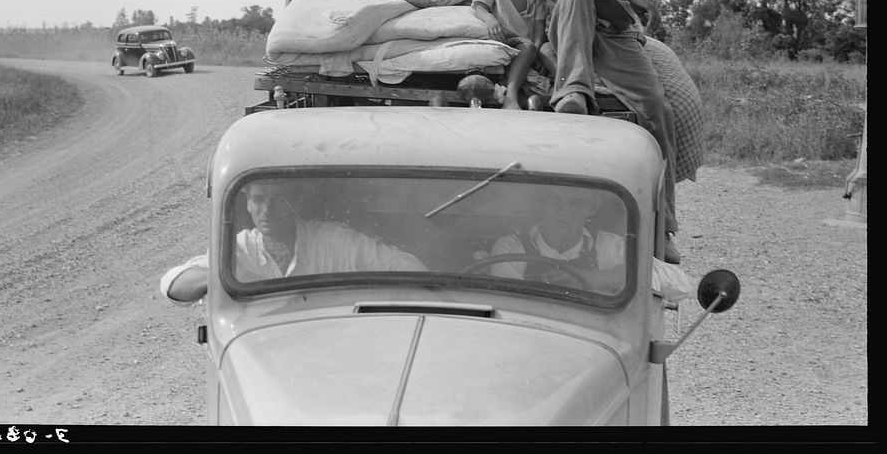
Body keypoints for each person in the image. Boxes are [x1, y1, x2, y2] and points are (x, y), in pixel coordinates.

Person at [532, 0, 682, 264]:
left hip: (615, 38)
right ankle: (573, 90)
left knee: (659, 111)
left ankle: (663, 226)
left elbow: (621, 19)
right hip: (565, 29)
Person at [160, 182, 426, 304]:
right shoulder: (240, 250)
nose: (268, 210)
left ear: (295, 203)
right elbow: (173, 283)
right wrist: (225, 279)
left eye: (279, 200)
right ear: (249, 205)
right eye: (259, 200)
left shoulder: (331, 240)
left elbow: (408, 267)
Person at [489, 189, 691, 302]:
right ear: (543, 203)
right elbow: (510, 309)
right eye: (555, 201)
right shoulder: (511, 249)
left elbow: (680, 286)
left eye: (575, 203)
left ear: (592, 209)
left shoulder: (609, 246)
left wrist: (592, 279)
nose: (564, 212)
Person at [469, 0, 555, 110]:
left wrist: (537, 54)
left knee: (548, 53)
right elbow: (479, 7)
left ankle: (566, 91)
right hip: (511, 43)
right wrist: (490, 18)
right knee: (528, 48)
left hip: (534, 46)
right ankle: (511, 95)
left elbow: (539, 31)